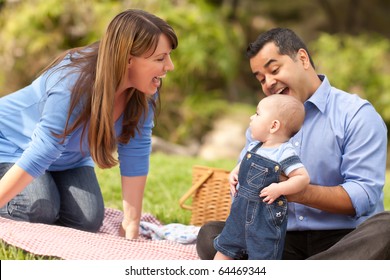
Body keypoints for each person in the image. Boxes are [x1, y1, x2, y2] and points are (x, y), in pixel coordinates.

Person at [197, 27, 390, 260]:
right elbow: (246, 186)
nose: (268, 82)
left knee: (386, 229)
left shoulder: (356, 115)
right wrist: (240, 182)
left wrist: (295, 191)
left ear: (302, 58)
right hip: (278, 236)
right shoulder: (262, 123)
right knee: (211, 235)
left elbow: (363, 195)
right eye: (261, 78)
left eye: (274, 69)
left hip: (343, 237)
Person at [0, 9, 178, 239]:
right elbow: (41, 152)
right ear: (128, 58)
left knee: (87, 219)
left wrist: (131, 224)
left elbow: (135, 151)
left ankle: (46, 189)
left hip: (66, 158)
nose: (170, 66)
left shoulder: (145, 89)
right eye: (160, 58)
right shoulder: (71, 83)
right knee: (37, 208)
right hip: (11, 144)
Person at [214, 94, 310, 260]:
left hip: (265, 219)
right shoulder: (255, 146)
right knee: (225, 246)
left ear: (273, 126)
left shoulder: (284, 152)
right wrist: (234, 173)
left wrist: (279, 188)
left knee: (262, 254)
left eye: (257, 114)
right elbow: (244, 163)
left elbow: (302, 177)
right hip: (240, 212)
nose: (252, 117)